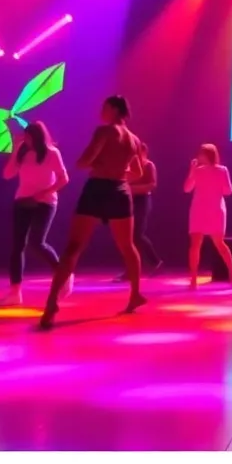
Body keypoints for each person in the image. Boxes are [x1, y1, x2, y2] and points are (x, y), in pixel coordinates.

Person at [39, 96, 146, 329]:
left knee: (74, 247)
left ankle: (51, 303)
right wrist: (117, 171)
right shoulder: (134, 140)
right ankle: (135, 294)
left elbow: (83, 162)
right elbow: (137, 173)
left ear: (115, 109)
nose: (101, 110)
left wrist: (98, 164)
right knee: (127, 246)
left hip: (97, 189)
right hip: (120, 191)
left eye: (104, 107)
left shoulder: (105, 132)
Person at [0, 121, 70, 306]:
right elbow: (7, 174)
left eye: (29, 136)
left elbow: (64, 179)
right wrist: (15, 150)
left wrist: (45, 192)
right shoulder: (23, 152)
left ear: (38, 136)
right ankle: (15, 292)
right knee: (17, 246)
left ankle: (63, 274)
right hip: (22, 201)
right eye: (25, 136)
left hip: (45, 202)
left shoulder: (52, 153)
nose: (26, 140)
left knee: (37, 243)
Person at [185, 143, 232, 288]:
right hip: (200, 209)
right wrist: (192, 171)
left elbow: (227, 191)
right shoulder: (199, 171)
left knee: (218, 243)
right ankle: (194, 278)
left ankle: (231, 271)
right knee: (196, 244)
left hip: (214, 209)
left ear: (207, 155)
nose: (198, 156)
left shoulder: (222, 170)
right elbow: (187, 188)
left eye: (201, 153)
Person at [112, 141, 163, 282]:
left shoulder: (148, 165)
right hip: (127, 201)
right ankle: (131, 270)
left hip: (142, 201)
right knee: (127, 237)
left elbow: (152, 185)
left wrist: (132, 189)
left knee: (137, 234)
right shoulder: (127, 167)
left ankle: (155, 262)